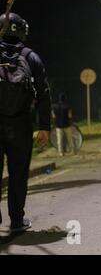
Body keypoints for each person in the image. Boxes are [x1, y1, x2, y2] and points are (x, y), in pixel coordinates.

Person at [0, 12, 51, 232]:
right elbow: (43, 93)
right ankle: (17, 221)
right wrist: (44, 126)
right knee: (18, 174)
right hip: (20, 124)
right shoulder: (31, 57)